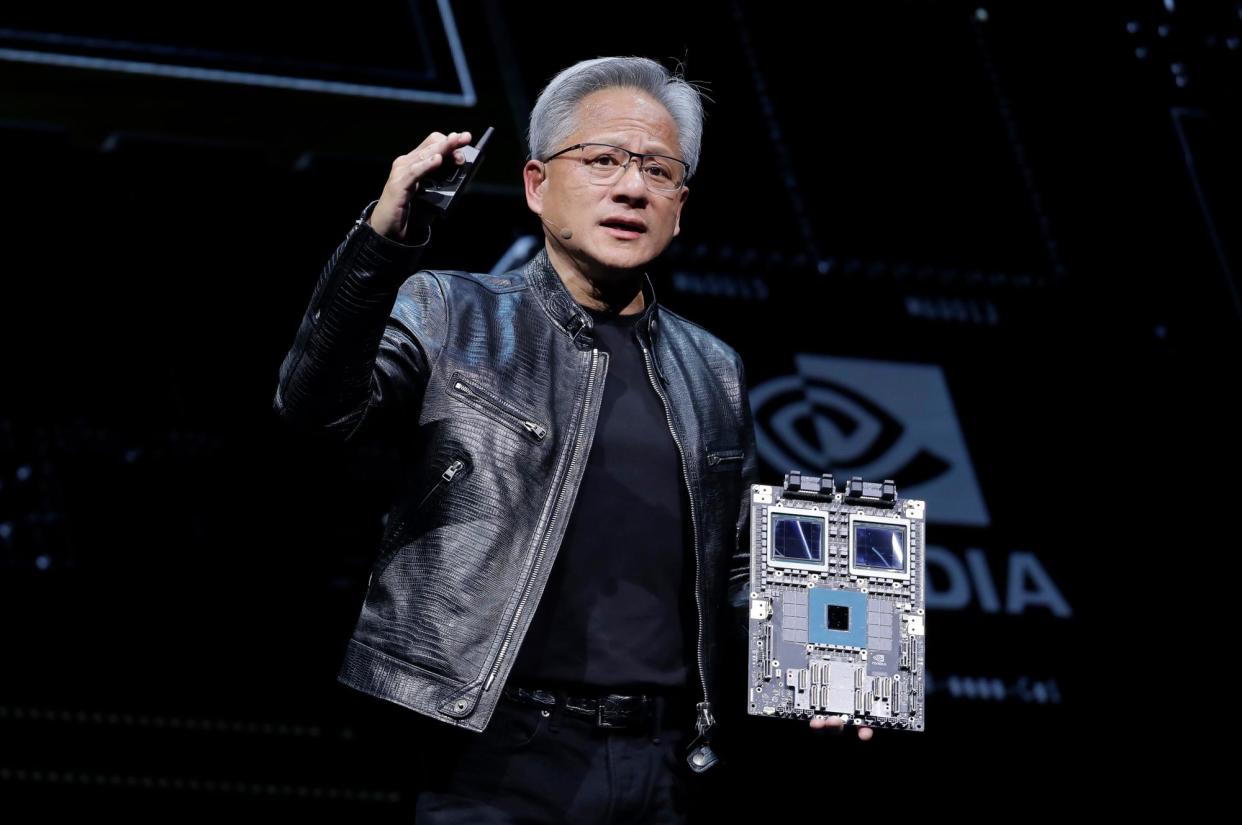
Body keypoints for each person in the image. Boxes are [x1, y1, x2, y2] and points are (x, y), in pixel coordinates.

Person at [274, 55, 865, 824]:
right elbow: (314, 407)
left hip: (666, 764)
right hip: (492, 750)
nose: (631, 188)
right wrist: (383, 242)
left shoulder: (713, 367)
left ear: (679, 206)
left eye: (658, 170)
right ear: (535, 184)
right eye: (603, 160)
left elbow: (740, 563)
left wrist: (832, 663)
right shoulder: (453, 311)